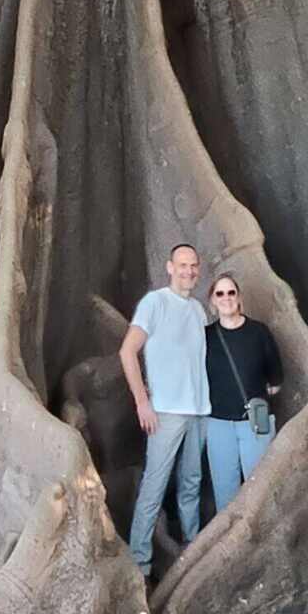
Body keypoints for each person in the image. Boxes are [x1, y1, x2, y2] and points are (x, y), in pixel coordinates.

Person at [119, 243, 209, 582]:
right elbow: (127, 352)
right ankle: (140, 563)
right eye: (182, 265)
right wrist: (142, 401)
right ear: (170, 267)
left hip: (199, 411)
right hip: (166, 412)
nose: (189, 271)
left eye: (193, 265)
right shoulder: (154, 303)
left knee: (191, 481)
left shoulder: (199, 311)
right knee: (154, 485)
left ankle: (191, 544)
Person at [203, 272, 283, 512]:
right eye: (220, 294)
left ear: (239, 297)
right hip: (218, 425)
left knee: (261, 490)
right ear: (213, 301)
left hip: (254, 423)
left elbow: (276, 379)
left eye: (231, 292)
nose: (226, 298)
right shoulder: (205, 337)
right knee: (225, 493)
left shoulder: (259, 332)